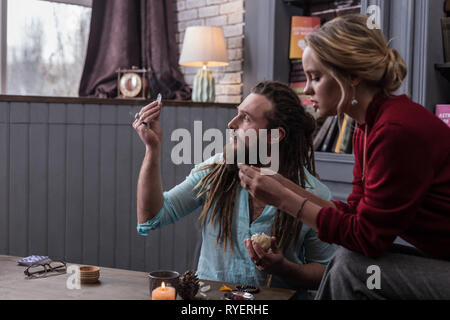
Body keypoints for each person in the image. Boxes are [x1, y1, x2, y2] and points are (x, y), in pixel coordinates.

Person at [238, 14, 450, 300]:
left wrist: (282, 199)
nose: (307, 89)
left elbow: (366, 237)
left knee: (351, 267)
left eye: (316, 77)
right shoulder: (367, 127)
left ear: (353, 76)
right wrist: (285, 185)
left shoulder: (395, 130)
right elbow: (355, 214)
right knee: (347, 261)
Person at [132, 81, 335, 299]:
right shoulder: (216, 171)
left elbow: (324, 271)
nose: (231, 124)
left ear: (274, 136)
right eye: (237, 114)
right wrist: (152, 149)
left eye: (246, 118)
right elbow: (152, 217)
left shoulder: (314, 195)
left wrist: (283, 268)